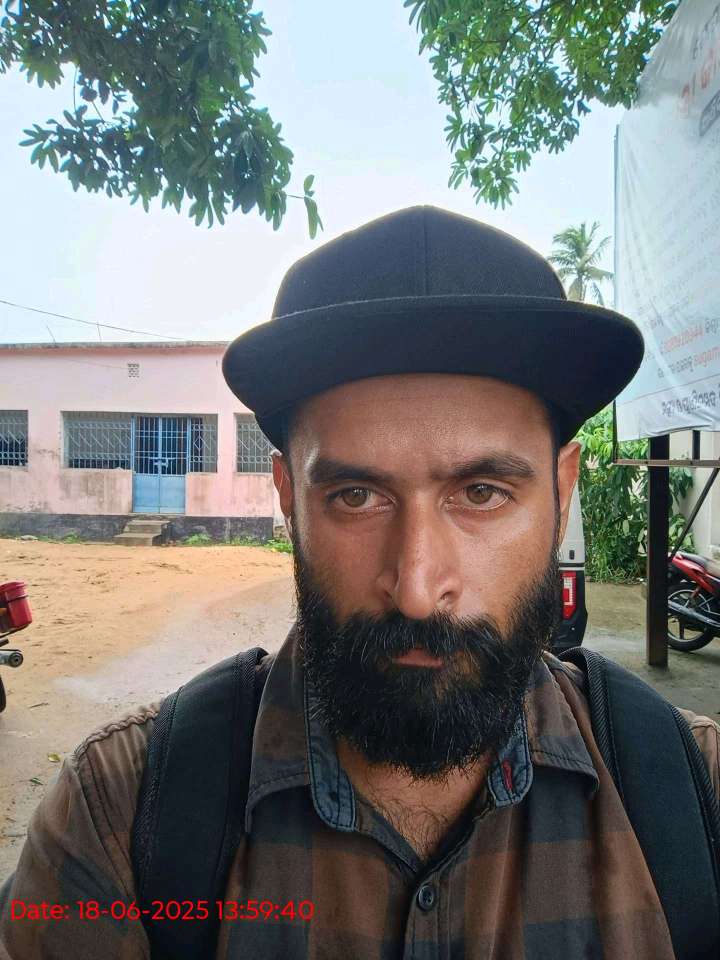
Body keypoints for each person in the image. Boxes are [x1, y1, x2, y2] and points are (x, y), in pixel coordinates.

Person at [1, 206, 719, 960]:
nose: (416, 588)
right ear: (288, 497)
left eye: (481, 493)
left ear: (562, 489)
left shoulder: (694, 796)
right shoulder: (117, 815)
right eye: (355, 496)